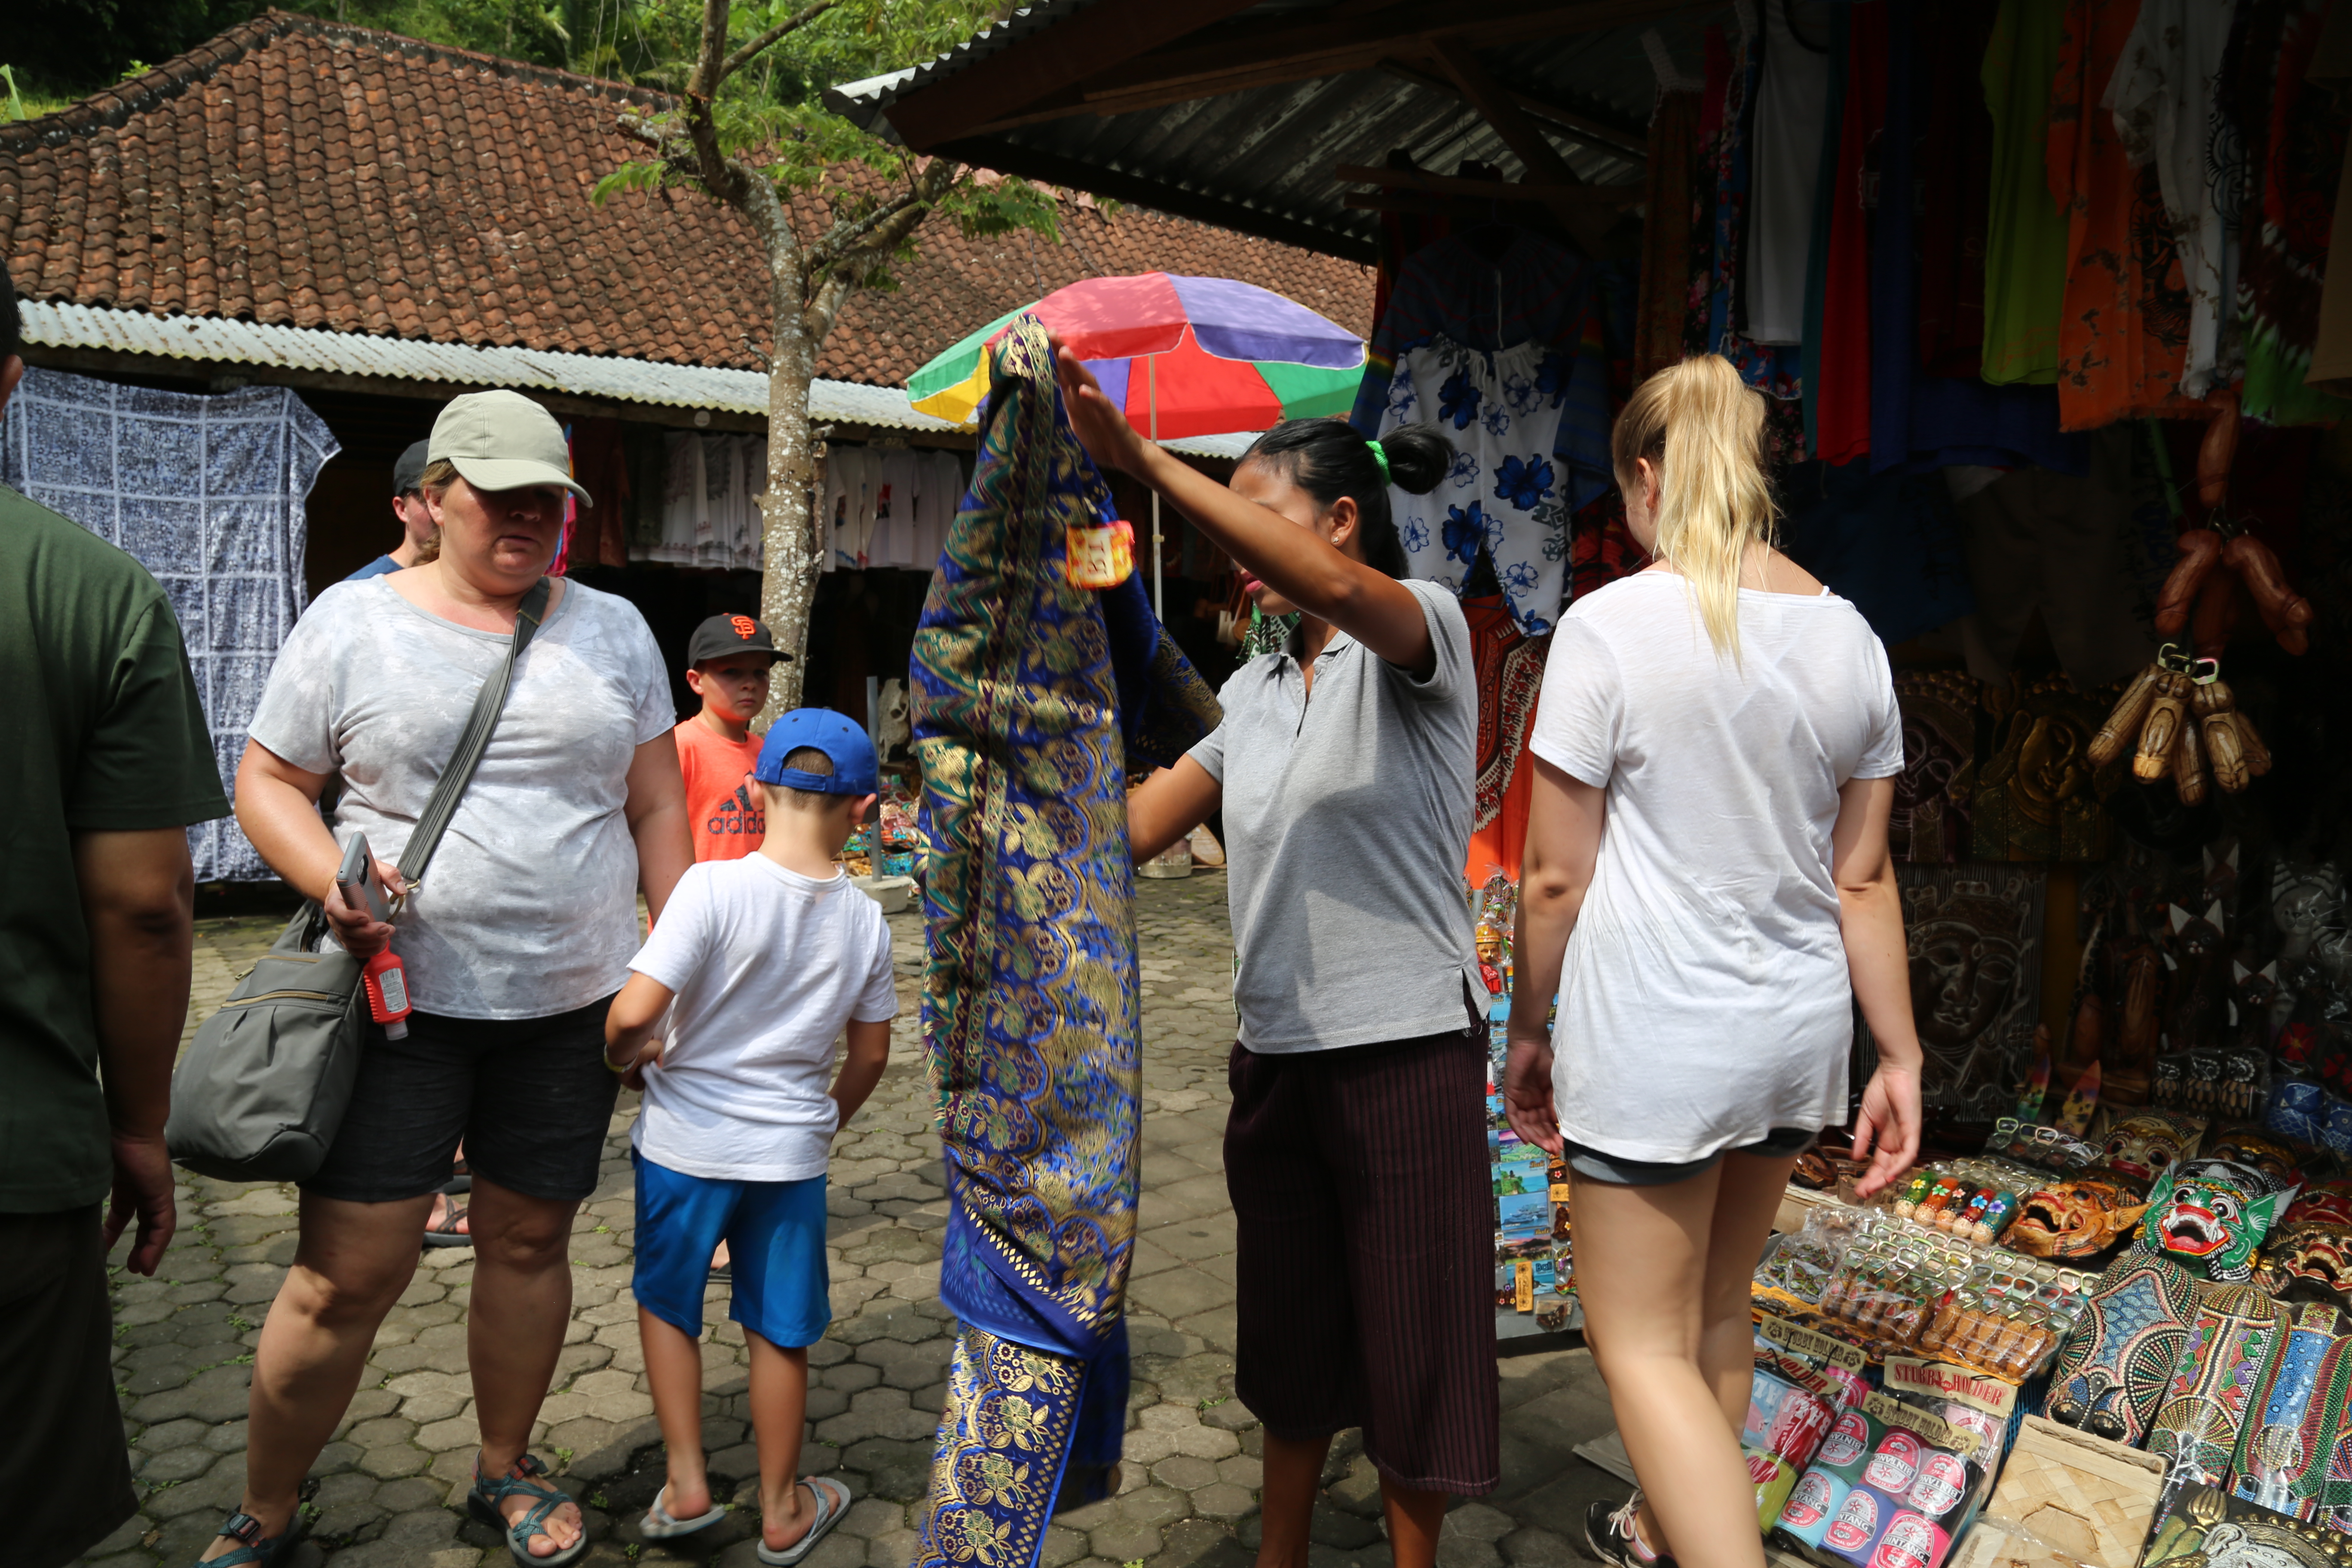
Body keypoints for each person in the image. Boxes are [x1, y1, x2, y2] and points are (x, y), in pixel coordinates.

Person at [214, 388, 694, 1568]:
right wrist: (332, 878)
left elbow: (656, 804)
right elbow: (268, 782)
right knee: (345, 1276)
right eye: (500, 495)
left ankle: (502, 1469)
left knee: (530, 1243)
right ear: (433, 501)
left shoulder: (614, 629)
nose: (527, 517)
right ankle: (265, 1512)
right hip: (398, 1006)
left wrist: (672, 960)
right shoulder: (352, 622)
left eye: (549, 498)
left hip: (571, 1005)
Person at [1064, 347, 1498, 1568]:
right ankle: (1282, 1554)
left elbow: (1344, 594)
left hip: (1404, 1046)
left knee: (1415, 1339)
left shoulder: (1425, 640)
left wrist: (1148, 463)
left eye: (1265, 519)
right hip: (1278, 1052)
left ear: (1342, 520)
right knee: (1294, 1333)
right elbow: (1134, 833)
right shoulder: (1253, 692)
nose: (1244, 552)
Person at [1498, 355, 1924, 1568]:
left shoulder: (1608, 628)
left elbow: (1552, 880)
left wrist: (1530, 1029)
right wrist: (1898, 1052)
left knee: (1635, 1342)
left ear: (1644, 474)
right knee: (1716, 1312)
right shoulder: (1851, 637)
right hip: (1793, 1035)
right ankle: (1658, 1535)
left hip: (1659, 1039)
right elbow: (1863, 877)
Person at [0, 266, 230, 1568]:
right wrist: (138, 1126)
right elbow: (146, 906)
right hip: (18, 1158)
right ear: (12, 378)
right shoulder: (90, 593)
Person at [604, 709, 894, 1563]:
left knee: (669, 1305)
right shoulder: (867, 923)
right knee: (778, 1330)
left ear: (757, 789)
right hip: (790, 1158)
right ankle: (781, 1509)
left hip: (684, 1147)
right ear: (867, 811)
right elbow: (871, 1055)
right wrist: (822, 1121)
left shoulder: (710, 888)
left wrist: (626, 1056)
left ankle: (689, 1484)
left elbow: (631, 1016)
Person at [675, 612, 789, 862]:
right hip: (701, 897)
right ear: (696, 681)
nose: (749, 683)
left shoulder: (768, 752)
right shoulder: (680, 747)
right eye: (732, 672)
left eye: (760, 672)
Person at [345, 438, 439, 580]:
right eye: (426, 499)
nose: (440, 510)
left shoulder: (476, 584)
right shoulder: (361, 589)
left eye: (446, 497)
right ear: (402, 509)